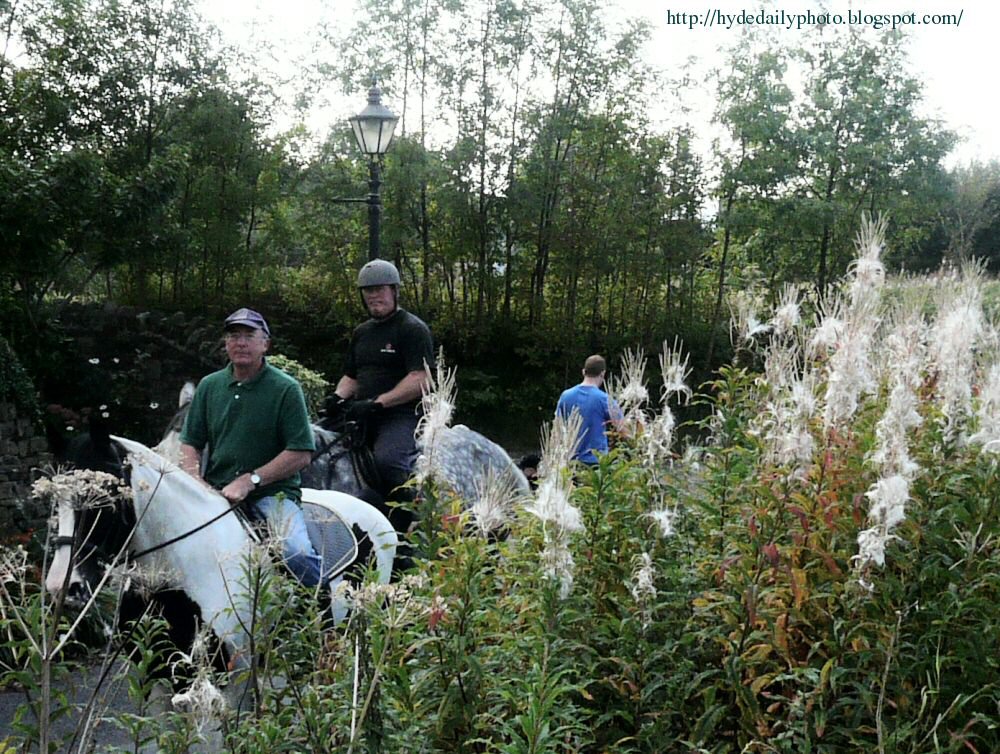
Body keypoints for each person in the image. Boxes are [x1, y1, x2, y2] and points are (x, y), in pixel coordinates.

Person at [178, 308, 323, 587]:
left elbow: (301, 453)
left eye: (249, 336)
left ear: (265, 344)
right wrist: (194, 480)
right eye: (234, 336)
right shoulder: (210, 386)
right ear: (226, 344)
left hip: (272, 495)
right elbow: (190, 443)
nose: (240, 343)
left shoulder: (285, 388)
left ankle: (323, 618)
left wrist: (250, 480)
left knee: (296, 553)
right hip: (215, 492)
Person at [328, 259, 434, 533]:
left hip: (401, 415)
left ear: (394, 290)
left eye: (380, 289)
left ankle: (407, 521)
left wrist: (378, 403)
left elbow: (420, 378)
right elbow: (351, 376)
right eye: (368, 291)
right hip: (362, 412)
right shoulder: (361, 332)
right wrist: (337, 398)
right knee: (315, 445)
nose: (374, 296)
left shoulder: (412, 329)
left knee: (388, 459)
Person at [555, 355, 623, 465]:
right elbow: (622, 428)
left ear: (583, 372)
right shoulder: (605, 399)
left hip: (569, 461)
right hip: (595, 462)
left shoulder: (565, 396)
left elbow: (557, 427)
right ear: (603, 373)